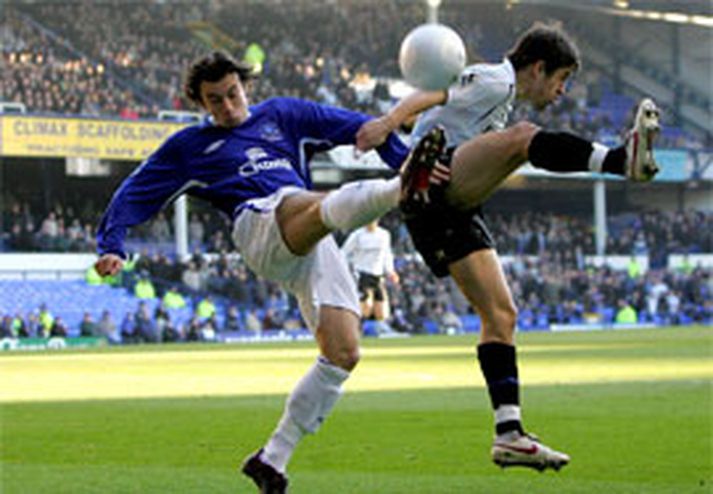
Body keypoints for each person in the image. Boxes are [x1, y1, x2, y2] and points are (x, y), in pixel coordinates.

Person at [93, 51, 429, 493]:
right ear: (200, 102)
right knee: (303, 199)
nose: (228, 106)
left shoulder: (284, 114)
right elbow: (135, 189)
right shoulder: (189, 147)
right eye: (215, 100)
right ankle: (403, 189)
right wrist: (111, 243)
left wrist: (400, 155)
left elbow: (364, 127)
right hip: (259, 225)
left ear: (244, 86)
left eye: (233, 93)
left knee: (344, 352)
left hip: (313, 232)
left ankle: (272, 458)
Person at [356, 22, 661, 472]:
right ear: (537, 68)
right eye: (561, 80)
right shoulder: (495, 80)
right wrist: (387, 124)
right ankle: (621, 160)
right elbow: (434, 95)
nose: (561, 92)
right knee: (522, 138)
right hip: (430, 190)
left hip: (451, 207)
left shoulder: (499, 100)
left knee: (501, 315)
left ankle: (509, 434)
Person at [341, 219, 399, 333]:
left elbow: (387, 254)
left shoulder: (384, 235)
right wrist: (347, 269)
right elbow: (343, 252)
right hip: (362, 274)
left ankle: (375, 328)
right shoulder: (357, 235)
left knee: (382, 313)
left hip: (378, 276)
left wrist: (391, 271)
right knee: (366, 306)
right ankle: (355, 330)